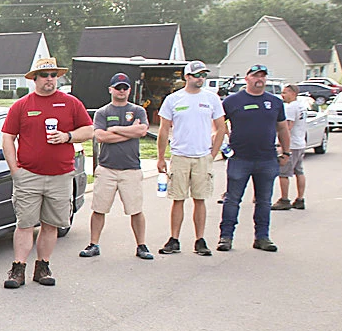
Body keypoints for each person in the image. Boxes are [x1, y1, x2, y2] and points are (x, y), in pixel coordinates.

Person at [1, 56, 93, 288]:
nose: (49, 79)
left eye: (53, 75)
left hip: (60, 175)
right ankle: (18, 268)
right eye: (44, 75)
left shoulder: (71, 103)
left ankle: (42, 266)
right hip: (28, 175)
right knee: (25, 224)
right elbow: (8, 138)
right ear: (35, 79)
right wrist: (15, 170)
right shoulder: (22, 105)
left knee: (51, 224)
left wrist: (68, 136)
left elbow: (89, 130)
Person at [155, 60, 225, 256]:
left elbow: (221, 128)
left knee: (200, 199)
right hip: (179, 155)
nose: (200, 78)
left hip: (203, 156)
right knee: (178, 199)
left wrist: (213, 153)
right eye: (196, 75)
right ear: (186, 77)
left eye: (203, 74)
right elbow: (164, 129)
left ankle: (200, 240)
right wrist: (161, 157)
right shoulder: (173, 99)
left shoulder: (212, 99)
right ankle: (174, 239)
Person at [81, 73, 153, 260]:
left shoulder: (138, 111)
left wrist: (115, 129)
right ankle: (93, 243)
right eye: (118, 87)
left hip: (131, 168)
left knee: (135, 209)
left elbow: (143, 130)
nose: (121, 91)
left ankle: (141, 245)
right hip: (107, 168)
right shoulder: (103, 112)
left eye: (125, 88)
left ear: (129, 90)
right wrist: (130, 132)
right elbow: (101, 136)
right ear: (110, 89)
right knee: (99, 208)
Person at [219, 65, 290, 252]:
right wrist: (224, 145)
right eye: (255, 75)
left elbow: (282, 128)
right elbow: (218, 125)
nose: (259, 79)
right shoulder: (232, 101)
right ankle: (226, 237)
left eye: (263, 76)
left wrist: (286, 152)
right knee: (232, 199)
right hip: (240, 158)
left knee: (264, 201)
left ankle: (262, 237)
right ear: (247, 78)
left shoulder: (274, 102)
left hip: (266, 159)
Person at [273, 84, 307, 211]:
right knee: (299, 171)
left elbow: (287, 127)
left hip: (292, 144)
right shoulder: (301, 106)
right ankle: (300, 198)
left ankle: (284, 199)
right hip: (300, 143)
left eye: (285, 93)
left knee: (283, 173)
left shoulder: (291, 108)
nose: (283, 95)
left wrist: (282, 146)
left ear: (293, 93)